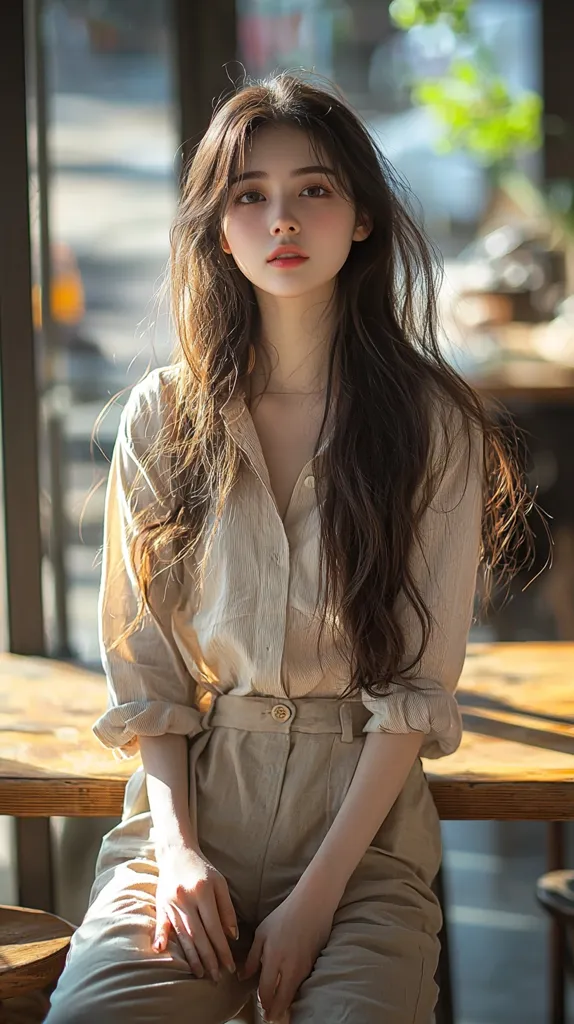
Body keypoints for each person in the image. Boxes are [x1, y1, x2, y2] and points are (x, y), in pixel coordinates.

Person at [46, 72, 534, 1024]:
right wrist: (179, 854)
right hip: (194, 816)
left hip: (360, 838)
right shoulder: (164, 414)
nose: (283, 218)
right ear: (217, 228)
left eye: (313, 189)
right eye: (249, 195)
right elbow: (146, 671)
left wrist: (315, 901)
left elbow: (414, 692)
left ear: (359, 217)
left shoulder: (431, 422)